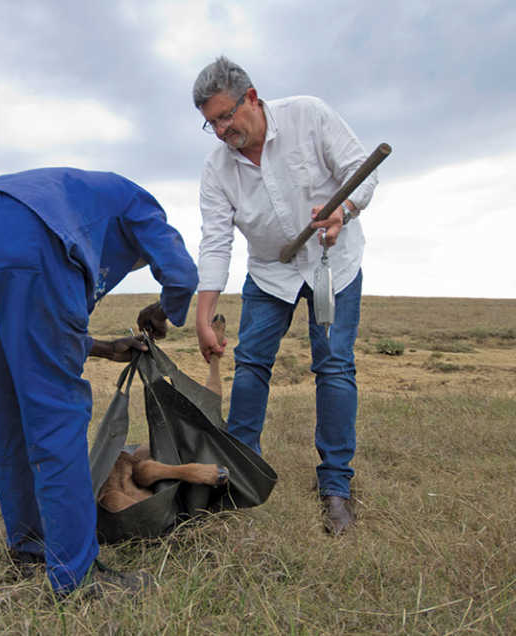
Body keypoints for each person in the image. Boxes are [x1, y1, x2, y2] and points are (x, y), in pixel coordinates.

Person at [0, 167, 198, 596]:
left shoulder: (82, 201)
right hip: (31, 231)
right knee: (56, 417)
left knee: (8, 412)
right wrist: (167, 309)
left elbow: (34, 335)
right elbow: (182, 274)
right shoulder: (139, 203)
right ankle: (76, 577)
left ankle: (28, 547)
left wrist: (98, 346)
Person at [191, 56, 379, 535]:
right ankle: (240, 472)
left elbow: (362, 169)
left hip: (331, 266)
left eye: (225, 116)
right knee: (252, 363)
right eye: (210, 122)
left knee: (334, 367)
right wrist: (204, 312)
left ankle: (335, 487)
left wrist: (345, 210)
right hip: (270, 272)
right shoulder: (217, 170)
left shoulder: (308, 115)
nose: (219, 130)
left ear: (251, 98)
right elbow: (216, 239)